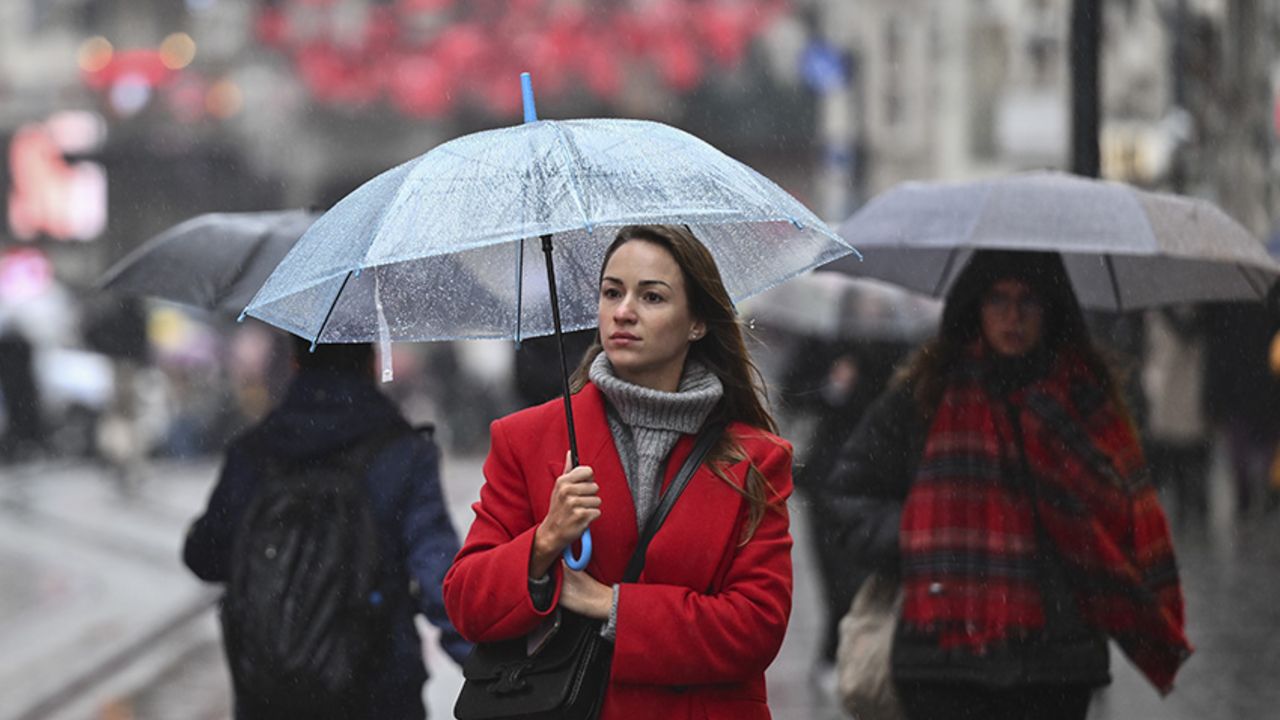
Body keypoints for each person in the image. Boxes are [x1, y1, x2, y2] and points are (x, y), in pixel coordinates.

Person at [443, 224, 794, 719]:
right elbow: (467, 603)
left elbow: (756, 626)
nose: (623, 311)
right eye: (612, 292)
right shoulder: (528, 438)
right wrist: (544, 542)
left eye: (652, 296)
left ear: (697, 321)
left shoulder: (755, 458)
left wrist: (611, 605)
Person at [827, 250, 1191, 720]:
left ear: (1052, 308)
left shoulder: (1086, 399)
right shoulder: (926, 392)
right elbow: (849, 492)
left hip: (1053, 662)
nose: (1012, 316)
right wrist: (916, 536)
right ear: (974, 306)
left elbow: (1126, 513)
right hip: (941, 658)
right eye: (997, 299)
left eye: (1028, 301)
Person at [184, 338, 470, 719]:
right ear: (370, 363)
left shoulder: (254, 451)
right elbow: (440, 576)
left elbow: (206, 557)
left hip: (269, 694)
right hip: (378, 690)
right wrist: (486, 663)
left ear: (296, 364)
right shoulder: (403, 453)